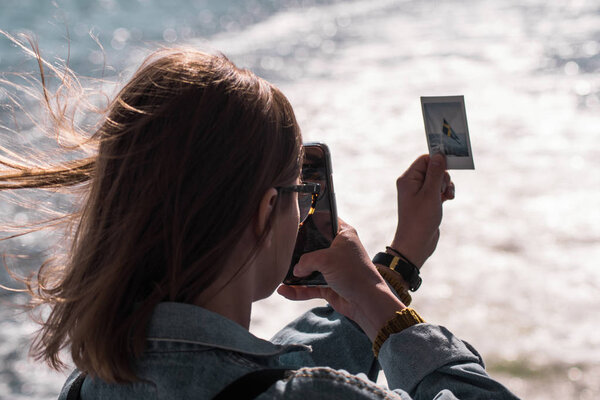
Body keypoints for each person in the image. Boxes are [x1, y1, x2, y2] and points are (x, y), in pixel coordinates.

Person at [0, 47, 519, 399]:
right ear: (267, 210)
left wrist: (397, 265)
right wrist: (380, 300)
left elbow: (255, 371)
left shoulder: (86, 386)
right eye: (301, 193)